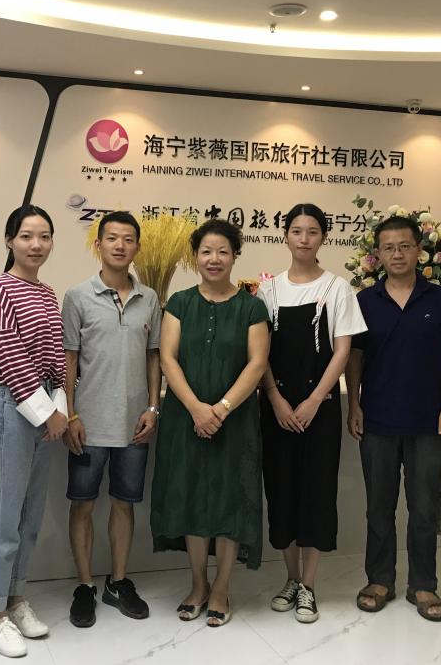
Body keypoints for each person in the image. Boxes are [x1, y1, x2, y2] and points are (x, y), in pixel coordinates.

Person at [150, 218, 270, 628]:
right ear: (195, 257)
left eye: (223, 251)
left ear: (235, 256)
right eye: (206, 251)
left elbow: (257, 364)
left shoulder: (252, 307)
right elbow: (168, 359)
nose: (214, 259)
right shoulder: (179, 303)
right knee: (192, 497)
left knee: (230, 501)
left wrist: (220, 408)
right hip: (186, 419)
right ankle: (198, 584)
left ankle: (222, 587)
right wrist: (197, 409)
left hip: (234, 421)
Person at [344, 215, 441, 622]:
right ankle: (379, 580)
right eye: (389, 248)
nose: (397, 254)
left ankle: (423, 584)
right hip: (377, 420)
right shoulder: (364, 301)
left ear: (419, 250)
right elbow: (355, 357)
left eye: (405, 246)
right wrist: (354, 404)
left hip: (428, 421)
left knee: (424, 508)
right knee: (378, 508)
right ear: (377, 255)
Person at [257, 203, 366, 624]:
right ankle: (290, 578)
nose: (304, 239)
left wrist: (315, 399)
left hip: (320, 408)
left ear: (324, 237)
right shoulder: (268, 290)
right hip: (277, 408)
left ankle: (309, 585)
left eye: (313, 231)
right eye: (297, 231)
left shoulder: (337, 288)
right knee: (280, 490)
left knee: (317, 493)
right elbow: (259, 353)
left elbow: (343, 350)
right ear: (285, 235)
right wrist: (275, 398)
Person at [0, 205, 67, 657]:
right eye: (27, 236)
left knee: (30, 514)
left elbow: (56, 355)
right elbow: (9, 354)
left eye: (44, 236)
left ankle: (15, 597)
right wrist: (47, 412)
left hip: (44, 406)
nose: (36, 244)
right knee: (3, 516)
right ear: (9, 240)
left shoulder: (47, 293)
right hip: (12, 405)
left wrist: (61, 406)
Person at [62, 211, 162, 628]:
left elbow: (154, 356)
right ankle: (85, 585)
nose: (120, 245)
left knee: (124, 503)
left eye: (128, 239)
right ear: (98, 244)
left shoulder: (150, 298)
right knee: (83, 504)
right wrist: (70, 413)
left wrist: (153, 407)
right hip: (88, 422)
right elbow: (68, 360)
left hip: (134, 423)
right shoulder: (77, 296)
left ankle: (117, 582)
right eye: (112, 238)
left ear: (137, 246)